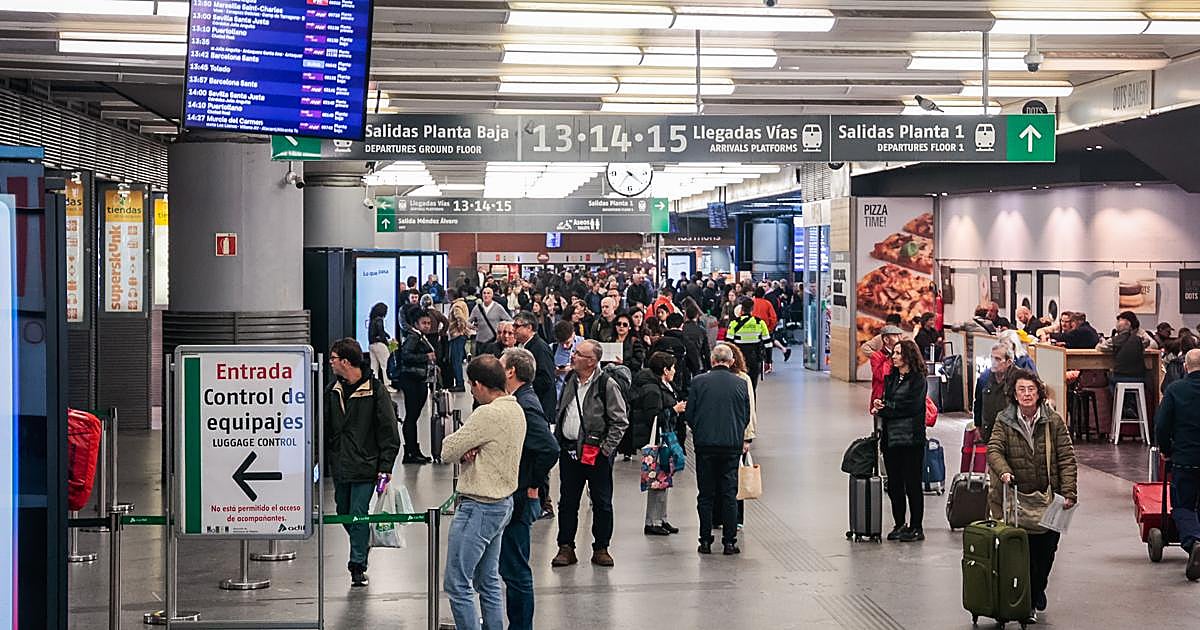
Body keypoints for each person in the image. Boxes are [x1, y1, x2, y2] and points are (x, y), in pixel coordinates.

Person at [441, 356, 527, 630]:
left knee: (457, 581)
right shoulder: (516, 409)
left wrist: (465, 447)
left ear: (478, 385)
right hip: (502, 504)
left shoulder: (487, 414)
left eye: (470, 385)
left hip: (478, 507)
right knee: (488, 580)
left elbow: (446, 450)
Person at [987, 369, 1078, 623]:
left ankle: (1038, 590)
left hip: (1050, 498)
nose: (1027, 394)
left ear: (1039, 392)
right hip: (1018, 501)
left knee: (1047, 551)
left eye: (1031, 389)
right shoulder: (1003, 420)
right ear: (1014, 395)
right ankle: (1028, 602)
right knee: (1025, 555)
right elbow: (994, 450)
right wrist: (1004, 472)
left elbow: (1067, 457)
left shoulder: (1053, 421)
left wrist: (1069, 491)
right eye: (1021, 390)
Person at [324, 338, 401, 587]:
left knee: (357, 513)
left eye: (333, 358)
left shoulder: (375, 390)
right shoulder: (332, 391)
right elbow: (324, 427)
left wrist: (385, 466)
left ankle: (357, 565)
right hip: (341, 465)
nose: (331, 362)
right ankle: (363, 539)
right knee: (343, 513)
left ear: (345, 361)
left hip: (367, 464)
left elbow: (389, 431)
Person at [551, 340, 629, 569]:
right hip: (569, 451)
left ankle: (601, 547)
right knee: (567, 502)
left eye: (578, 354)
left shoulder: (607, 384)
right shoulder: (569, 380)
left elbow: (619, 421)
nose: (572, 356)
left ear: (592, 361)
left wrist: (606, 449)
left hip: (597, 455)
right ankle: (565, 546)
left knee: (602, 502)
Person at [497, 349, 560, 630]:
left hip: (521, 495)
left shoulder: (525, 404)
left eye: (501, 364)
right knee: (510, 566)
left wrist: (534, 485)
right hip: (518, 490)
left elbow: (549, 448)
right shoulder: (517, 400)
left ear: (511, 371)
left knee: (516, 569)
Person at [687, 344, 751, 556]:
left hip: (705, 445)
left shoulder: (698, 382)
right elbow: (745, 415)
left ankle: (705, 541)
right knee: (729, 494)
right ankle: (729, 542)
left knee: (705, 495)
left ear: (712, 361)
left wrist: (700, 431)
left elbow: (690, 414)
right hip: (731, 446)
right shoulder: (741, 384)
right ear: (731, 362)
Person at [870, 339, 928, 543]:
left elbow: (911, 407)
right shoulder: (892, 378)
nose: (893, 357)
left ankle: (916, 526)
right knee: (894, 484)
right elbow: (893, 403)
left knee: (912, 484)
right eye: (893, 353)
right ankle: (899, 523)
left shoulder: (918, 380)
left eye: (897, 353)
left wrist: (886, 409)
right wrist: (882, 404)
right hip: (891, 439)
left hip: (911, 440)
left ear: (908, 356)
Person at [630, 351, 687, 536]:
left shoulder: (663, 385)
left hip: (665, 438)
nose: (675, 371)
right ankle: (652, 521)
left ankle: (661, 518)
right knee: (656, 481)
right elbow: (653, 417)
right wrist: (674, 410)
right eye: (672, 368)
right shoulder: (653, 390)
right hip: (657, 441)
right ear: (665, 370)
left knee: (663, 480)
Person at [1155, 349, 1200, 580]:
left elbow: (1162, 425)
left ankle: (1193, 542)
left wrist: (1166, 449)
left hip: (1185, 459)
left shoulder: (1175, 390)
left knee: (1183, 505)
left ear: (1185, 367)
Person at [397, 311, 436, 464]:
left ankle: (414, 450)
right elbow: (406, 356)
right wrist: (425, 357)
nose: (427, 326)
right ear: (416, 324)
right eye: (424, 323)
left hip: (418, 379)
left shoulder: (419, 336)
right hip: (412, 380)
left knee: (413, 417)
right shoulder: (414, 337)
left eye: (428, 323)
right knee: (411, 417)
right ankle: (410, 452)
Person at [512, 311, 558, 438]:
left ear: (529, 327)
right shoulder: (523, 345)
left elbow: (547, 379)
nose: (513, 329)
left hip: (540, 403)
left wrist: (523, 385)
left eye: (517, 326)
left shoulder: (540, 348)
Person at [651, 312, 703, 401]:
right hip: (681, 386)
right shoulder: (687, 343)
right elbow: (695, 366)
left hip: (657, 384)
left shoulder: (659, 342)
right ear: (682, 325)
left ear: (667, 325)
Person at [726, 298, 772, 389]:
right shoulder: (760, 323)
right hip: (755, 358)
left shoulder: (734, 323)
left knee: (739, 386)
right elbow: (768, 343)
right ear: (752, 309)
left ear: (742, 309)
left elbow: (728, 344)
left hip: (739, 359)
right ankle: (751, 402)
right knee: (752, 386)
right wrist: (768, 360)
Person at [868, 325, 905, 413]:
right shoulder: (876, 356)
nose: (900, 339)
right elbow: (881, 375)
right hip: (881, 397)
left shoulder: (903, 355)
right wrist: (891, 358)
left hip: (898, 395)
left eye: (900, 335)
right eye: (896, 336)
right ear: (886, 340)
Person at [447, 292, 473, 393]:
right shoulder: (463, 303)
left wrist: (460, 330)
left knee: (456, 360)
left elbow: (460, 318)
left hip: (456, 335)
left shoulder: (456, 306)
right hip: (461, 335)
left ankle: (459, 383)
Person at [366, 302, 394, 391]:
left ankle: (373, 384)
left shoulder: (372, 320)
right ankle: (387, 385)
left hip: (371, 345)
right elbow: (381, 333)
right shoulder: (379, 320)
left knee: (374, 366)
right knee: (385, 365)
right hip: (379, 345)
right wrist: (387, 342)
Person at [682, 303, 712, 372]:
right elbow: (706, 351)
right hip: (699, 362)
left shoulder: (682, 328)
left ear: (686, 315)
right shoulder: (701, 330)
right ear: (697, 315)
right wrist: (709, 366)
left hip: (685, 362)